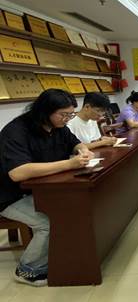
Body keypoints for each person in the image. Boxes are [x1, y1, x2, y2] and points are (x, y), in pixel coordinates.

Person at [0, 89, 94, 287]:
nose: (67, 119)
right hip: (9, 195)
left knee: (77, 205)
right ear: (44, 111)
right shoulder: (16, 131)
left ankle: (59, 255)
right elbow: (18, 173)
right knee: (48, 220)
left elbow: (75, 144)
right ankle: (28, 270)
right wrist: (69, 164)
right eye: (63, 114)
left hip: (41, 189)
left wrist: (84, 151)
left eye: (71, 114)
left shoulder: (59, 126)